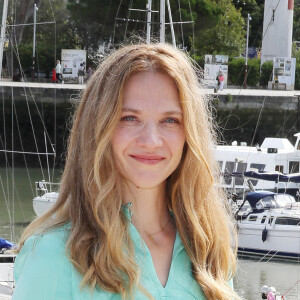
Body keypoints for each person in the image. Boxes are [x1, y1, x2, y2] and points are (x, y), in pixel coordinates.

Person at [12, 44, 239, 300]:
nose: (151, 140)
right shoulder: (52, 255)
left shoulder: (207, 250)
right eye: (129, 118)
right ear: (97, 127)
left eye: (170, 120)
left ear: (190, 134)